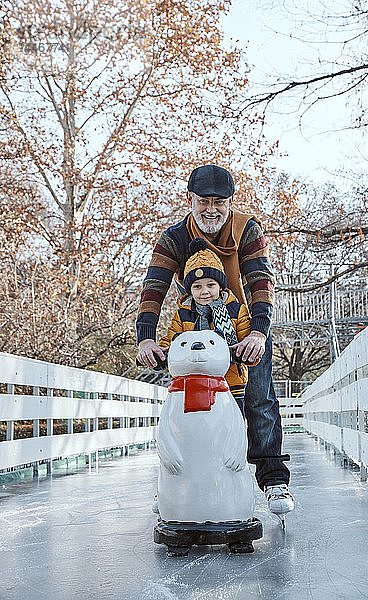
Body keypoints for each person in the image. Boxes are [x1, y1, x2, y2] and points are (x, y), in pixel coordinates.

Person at [136, 164, 294, 518]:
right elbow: (153, 287)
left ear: (230, 202)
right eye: (203, 201)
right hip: (196, 331)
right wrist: (146, 338)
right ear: (190, 199)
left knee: (259, 401)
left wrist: (258, 331)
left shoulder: (247, 229)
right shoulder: (173, 238)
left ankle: (273, 480)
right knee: (188, 408)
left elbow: (260, 281)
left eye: (219, 202)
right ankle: (178, 487)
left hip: (243, 329)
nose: (211, 209)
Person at [158, 237, 257, 415]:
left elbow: (246, 342)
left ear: (220, 286)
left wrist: (247, 353)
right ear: (190, 290)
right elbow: (171, 343)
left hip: (231, 383)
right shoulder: (183, 314)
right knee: (198, 431)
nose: (204, 291)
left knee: (231, 428)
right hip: (191, 385)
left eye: (211, 285)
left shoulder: (236, 310)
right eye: (197, 286)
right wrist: (161, 355)